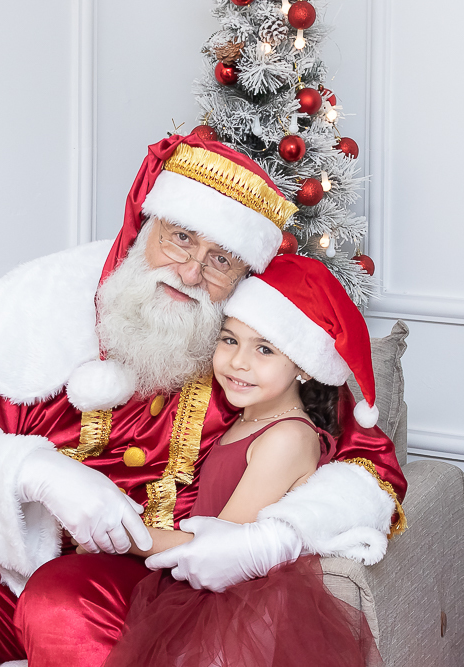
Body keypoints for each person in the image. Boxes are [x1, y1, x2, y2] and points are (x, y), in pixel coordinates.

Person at [0, 133, 406, 667]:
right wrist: (37, 474)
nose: (190, 272)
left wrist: (269, 541)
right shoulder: (44, 303)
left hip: (147, 588)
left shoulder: (253, 349)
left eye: (220, 260)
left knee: (62, 602)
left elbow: (370, 470)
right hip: (16, 560)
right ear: (147, 225)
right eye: (181, 238)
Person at [104, 253, 383, 667]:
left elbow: (218, 546)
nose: (238, 361)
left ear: (304, 366)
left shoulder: (286, 437)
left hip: (236, 606)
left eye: (264, 349)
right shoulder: (243, 419)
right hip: (195, 586)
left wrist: (119, 535)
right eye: (230, 339)